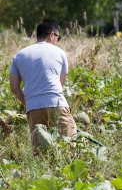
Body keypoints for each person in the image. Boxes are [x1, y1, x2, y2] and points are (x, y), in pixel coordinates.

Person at [9, 19, 76, 155]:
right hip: (56, 104)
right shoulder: (60, 53)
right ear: (52, 35)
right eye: (58, 37)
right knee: (68, 149)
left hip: (33, 107)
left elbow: (14, 88)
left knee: (40, 153)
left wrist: (29, 103)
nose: (57, 41)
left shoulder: (19, 56)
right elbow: (60, 84)